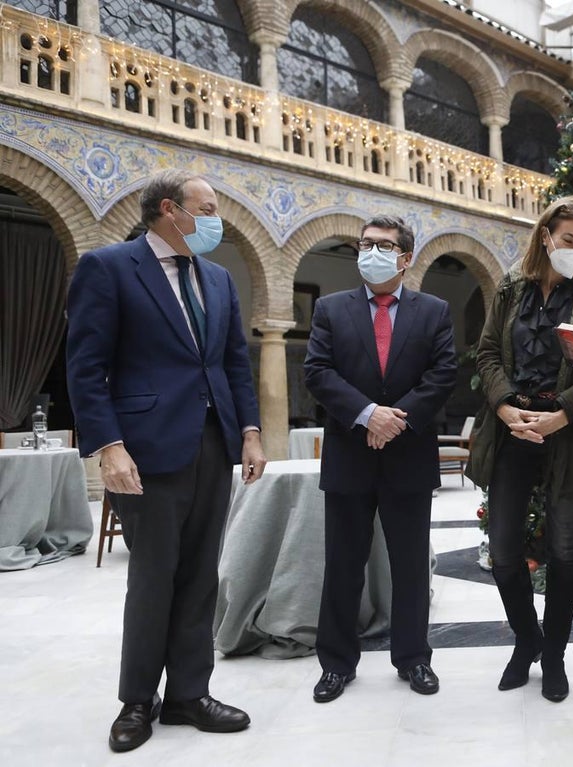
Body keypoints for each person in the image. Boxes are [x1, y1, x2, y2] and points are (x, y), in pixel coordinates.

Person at [66, 169, 267, 753]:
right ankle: (137, 700)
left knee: (201, 575)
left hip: (212, 442)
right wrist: (109, 447)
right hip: (145, 448)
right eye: (206, 207)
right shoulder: (109, 267)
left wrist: (250, 434)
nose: (215, 219)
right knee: (153, 576)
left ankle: (188, 694)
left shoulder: (220, 279)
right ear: (168, 210)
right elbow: (85, 367)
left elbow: (234, 364)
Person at [465, 196, 573, 702]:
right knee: (504, 551)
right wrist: (506, 408)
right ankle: (527, 640)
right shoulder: (511, 286)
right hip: (512, 426)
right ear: (545, 235)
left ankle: (554, 656)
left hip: (566, 429)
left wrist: (559, 416)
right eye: (568, 240)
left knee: (566, 550)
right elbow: (486, 352)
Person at [304, 215, 456, 704]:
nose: (372, 252)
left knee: (409, 566)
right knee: (343, 565)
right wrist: (367, 415)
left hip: (408, 456)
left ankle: (414, 659)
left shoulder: (434, 310)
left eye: (384, 245)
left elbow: (442, 374)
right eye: (366, 244)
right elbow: (318, 372)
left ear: (405, 257)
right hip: (350, 454)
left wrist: (395, 419)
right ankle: (335, 664)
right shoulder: (331, 308)